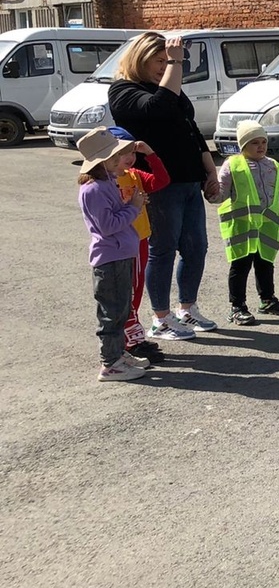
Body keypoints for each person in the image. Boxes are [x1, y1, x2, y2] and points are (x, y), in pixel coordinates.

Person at [108, 32, 218, 339]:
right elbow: (159, 108)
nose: (164, 66)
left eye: (164, 60)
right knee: (163, 250)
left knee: (197, 248)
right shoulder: (123, 90)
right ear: (139, 58)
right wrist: (175, 61)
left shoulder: (169, 88)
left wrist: (209, 171)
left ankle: (187, 308)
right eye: (158, 60)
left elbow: (191, 130)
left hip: (189, 181)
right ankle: (161, 317)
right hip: (158, 185)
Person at [208, 120, 279, 325]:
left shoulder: (273, 165)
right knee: (240, 266)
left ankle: (267, 299)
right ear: (243, 146)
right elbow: (221, 192)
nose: (261, 147)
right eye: (254, 143)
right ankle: (237, 306)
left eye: (263, 142)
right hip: (242, 227)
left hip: (267, 228)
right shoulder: (233, 164)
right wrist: (212, 194)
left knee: (265, 263)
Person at [76, 128, 148, 382]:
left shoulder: (107, 183)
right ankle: (110, 363)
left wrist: (131, 206)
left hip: (119, 254)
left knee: (120, 308)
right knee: (112, 312)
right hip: (110, 257)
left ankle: (118, 353)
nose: (121, 159)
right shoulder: (94, 189)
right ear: (103, 161)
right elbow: (108, 226)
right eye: (115, 156)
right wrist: (134, 208)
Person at [105, 127, 170, 363]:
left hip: (140, 240)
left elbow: (162, 180)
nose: (130, 156)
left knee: (136, 291)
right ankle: (133, 341)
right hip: (123, 244)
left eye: (132, 150)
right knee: (127, 292)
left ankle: (130, 338)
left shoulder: (134, 175)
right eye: (124, 152)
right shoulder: (107, 181)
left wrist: (150, 154)